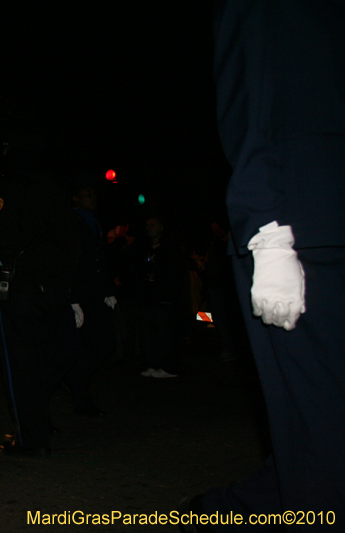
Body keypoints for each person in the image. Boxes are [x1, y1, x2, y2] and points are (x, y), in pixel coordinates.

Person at [178, 2, 345, 531]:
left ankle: (236, 506)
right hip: (305, 227)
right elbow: (248, 95)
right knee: (322, 430)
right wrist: (265, 229)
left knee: (320, 430)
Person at [0, 140, 83, 457]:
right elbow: (73, 244)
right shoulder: (56, 192)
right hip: (53, 290)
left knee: (20, 367)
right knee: (45, 360)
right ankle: (39, 421)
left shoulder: (9, 188)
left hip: (20, 289)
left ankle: (30, 438)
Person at [61, 178, 117, 416]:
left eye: (93, 193)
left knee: (104, 343)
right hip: (80, 294)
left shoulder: (93, 221)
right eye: (87, 194)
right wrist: (72, 298)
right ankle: (80, 398)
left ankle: (74, 381)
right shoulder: (71, 222)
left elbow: (99, 259)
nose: (93, 197)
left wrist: (108, 290)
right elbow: (69, 262)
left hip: (95, 293)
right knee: (83, 346)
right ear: (75, 198)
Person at [131, 216, 186, 378]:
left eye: (153, 225)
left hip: (164, 297)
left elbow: (175, 273)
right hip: (148, 296)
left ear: (161, 227)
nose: (149, 228)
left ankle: (169, 366)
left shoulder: (171, 248)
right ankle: (152, 364)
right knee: (149, 332)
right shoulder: (144, 247)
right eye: (147, 225)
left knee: (165, 332)